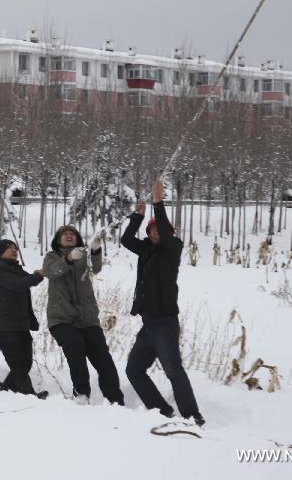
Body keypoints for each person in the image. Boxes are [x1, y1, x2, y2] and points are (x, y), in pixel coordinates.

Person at [121, 179, 205, 427]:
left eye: (161, 229)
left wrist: (158, 201)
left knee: (173, 371)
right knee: (133, 370)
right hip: (148, 325)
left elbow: (168, 236)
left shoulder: (172, 248)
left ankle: (192, 416)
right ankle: (161, 410)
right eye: (152, 229)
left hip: (165, 323)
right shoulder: (146, 249)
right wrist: (138, 217)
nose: (156, 232)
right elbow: (126, 240)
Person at [43, 225, 125, 405]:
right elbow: (51, 272)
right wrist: (68, 258)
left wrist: (95, 249)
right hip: (61, 318)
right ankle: (81, 394)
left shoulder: (84, 255)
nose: (69, 235)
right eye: (65, 234)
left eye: (73, 233)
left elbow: (95, 268)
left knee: (103, 359)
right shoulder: (51, 257)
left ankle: (115, 400)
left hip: (88, 319)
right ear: (58, 239)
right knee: (75, 345)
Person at [0, 239, 48, 399]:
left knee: (25, 362)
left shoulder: (15, 268)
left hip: (21, 324)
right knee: (19, 363)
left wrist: (41, 273)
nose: (14, 250)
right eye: (9, 248)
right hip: (6, 325)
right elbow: (17, 284)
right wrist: (39, 275)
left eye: (15, 248)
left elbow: (28, 280)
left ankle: (5, 392)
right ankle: (29, 396)